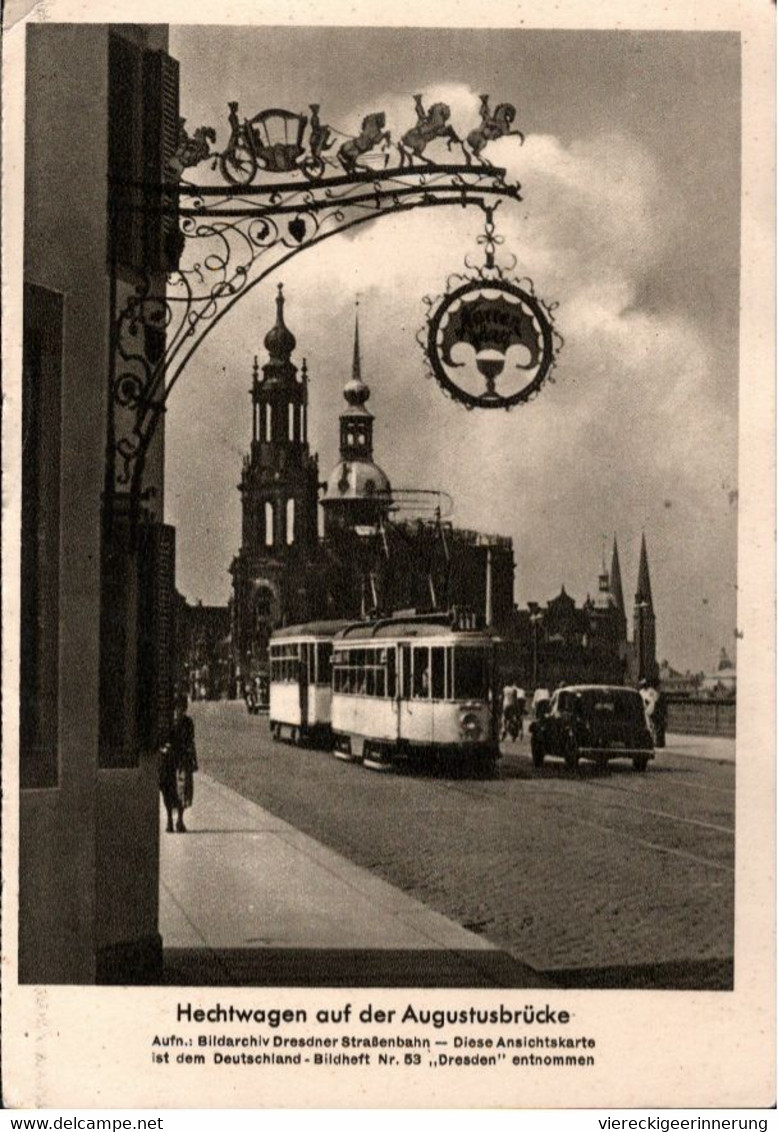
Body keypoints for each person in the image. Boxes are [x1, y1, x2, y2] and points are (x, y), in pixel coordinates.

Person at [159, 695, 198, 833]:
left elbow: (191, 742)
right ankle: (170, 819)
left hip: (182, 760)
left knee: (183, 791)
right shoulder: (168, 723)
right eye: (176, 708)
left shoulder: (188, 723)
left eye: (181, 708)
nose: (178, 711)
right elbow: (162, 741)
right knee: (168, 790)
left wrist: (193, 759)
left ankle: (180, 820)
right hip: (169, 761)